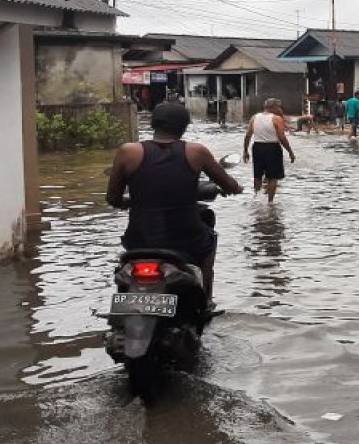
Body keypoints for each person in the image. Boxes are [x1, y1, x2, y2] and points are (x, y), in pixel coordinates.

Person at [105, 103, 244, 306]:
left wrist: (130, 202)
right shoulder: (196, 152)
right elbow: (229, 184)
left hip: (140, 238)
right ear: (184, 126)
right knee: (209, 242)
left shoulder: (128, 152)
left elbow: (112, 198)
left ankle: (125, 299)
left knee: (125, 261)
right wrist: (236, 189)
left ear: (153, 124)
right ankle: (205, 300)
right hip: (187, 238)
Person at [243, 98, 296, 203]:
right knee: (273, 177)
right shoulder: (276, 119)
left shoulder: (254, 117)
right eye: (278, 107)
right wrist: (290, 151)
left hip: (257, 147)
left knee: (257, 175)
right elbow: (282, 137)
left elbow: (248, 135)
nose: (279, 109)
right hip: (272, 148)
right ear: (273, 107)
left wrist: (245, 151)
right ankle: (270, 202)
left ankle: (257, 198)